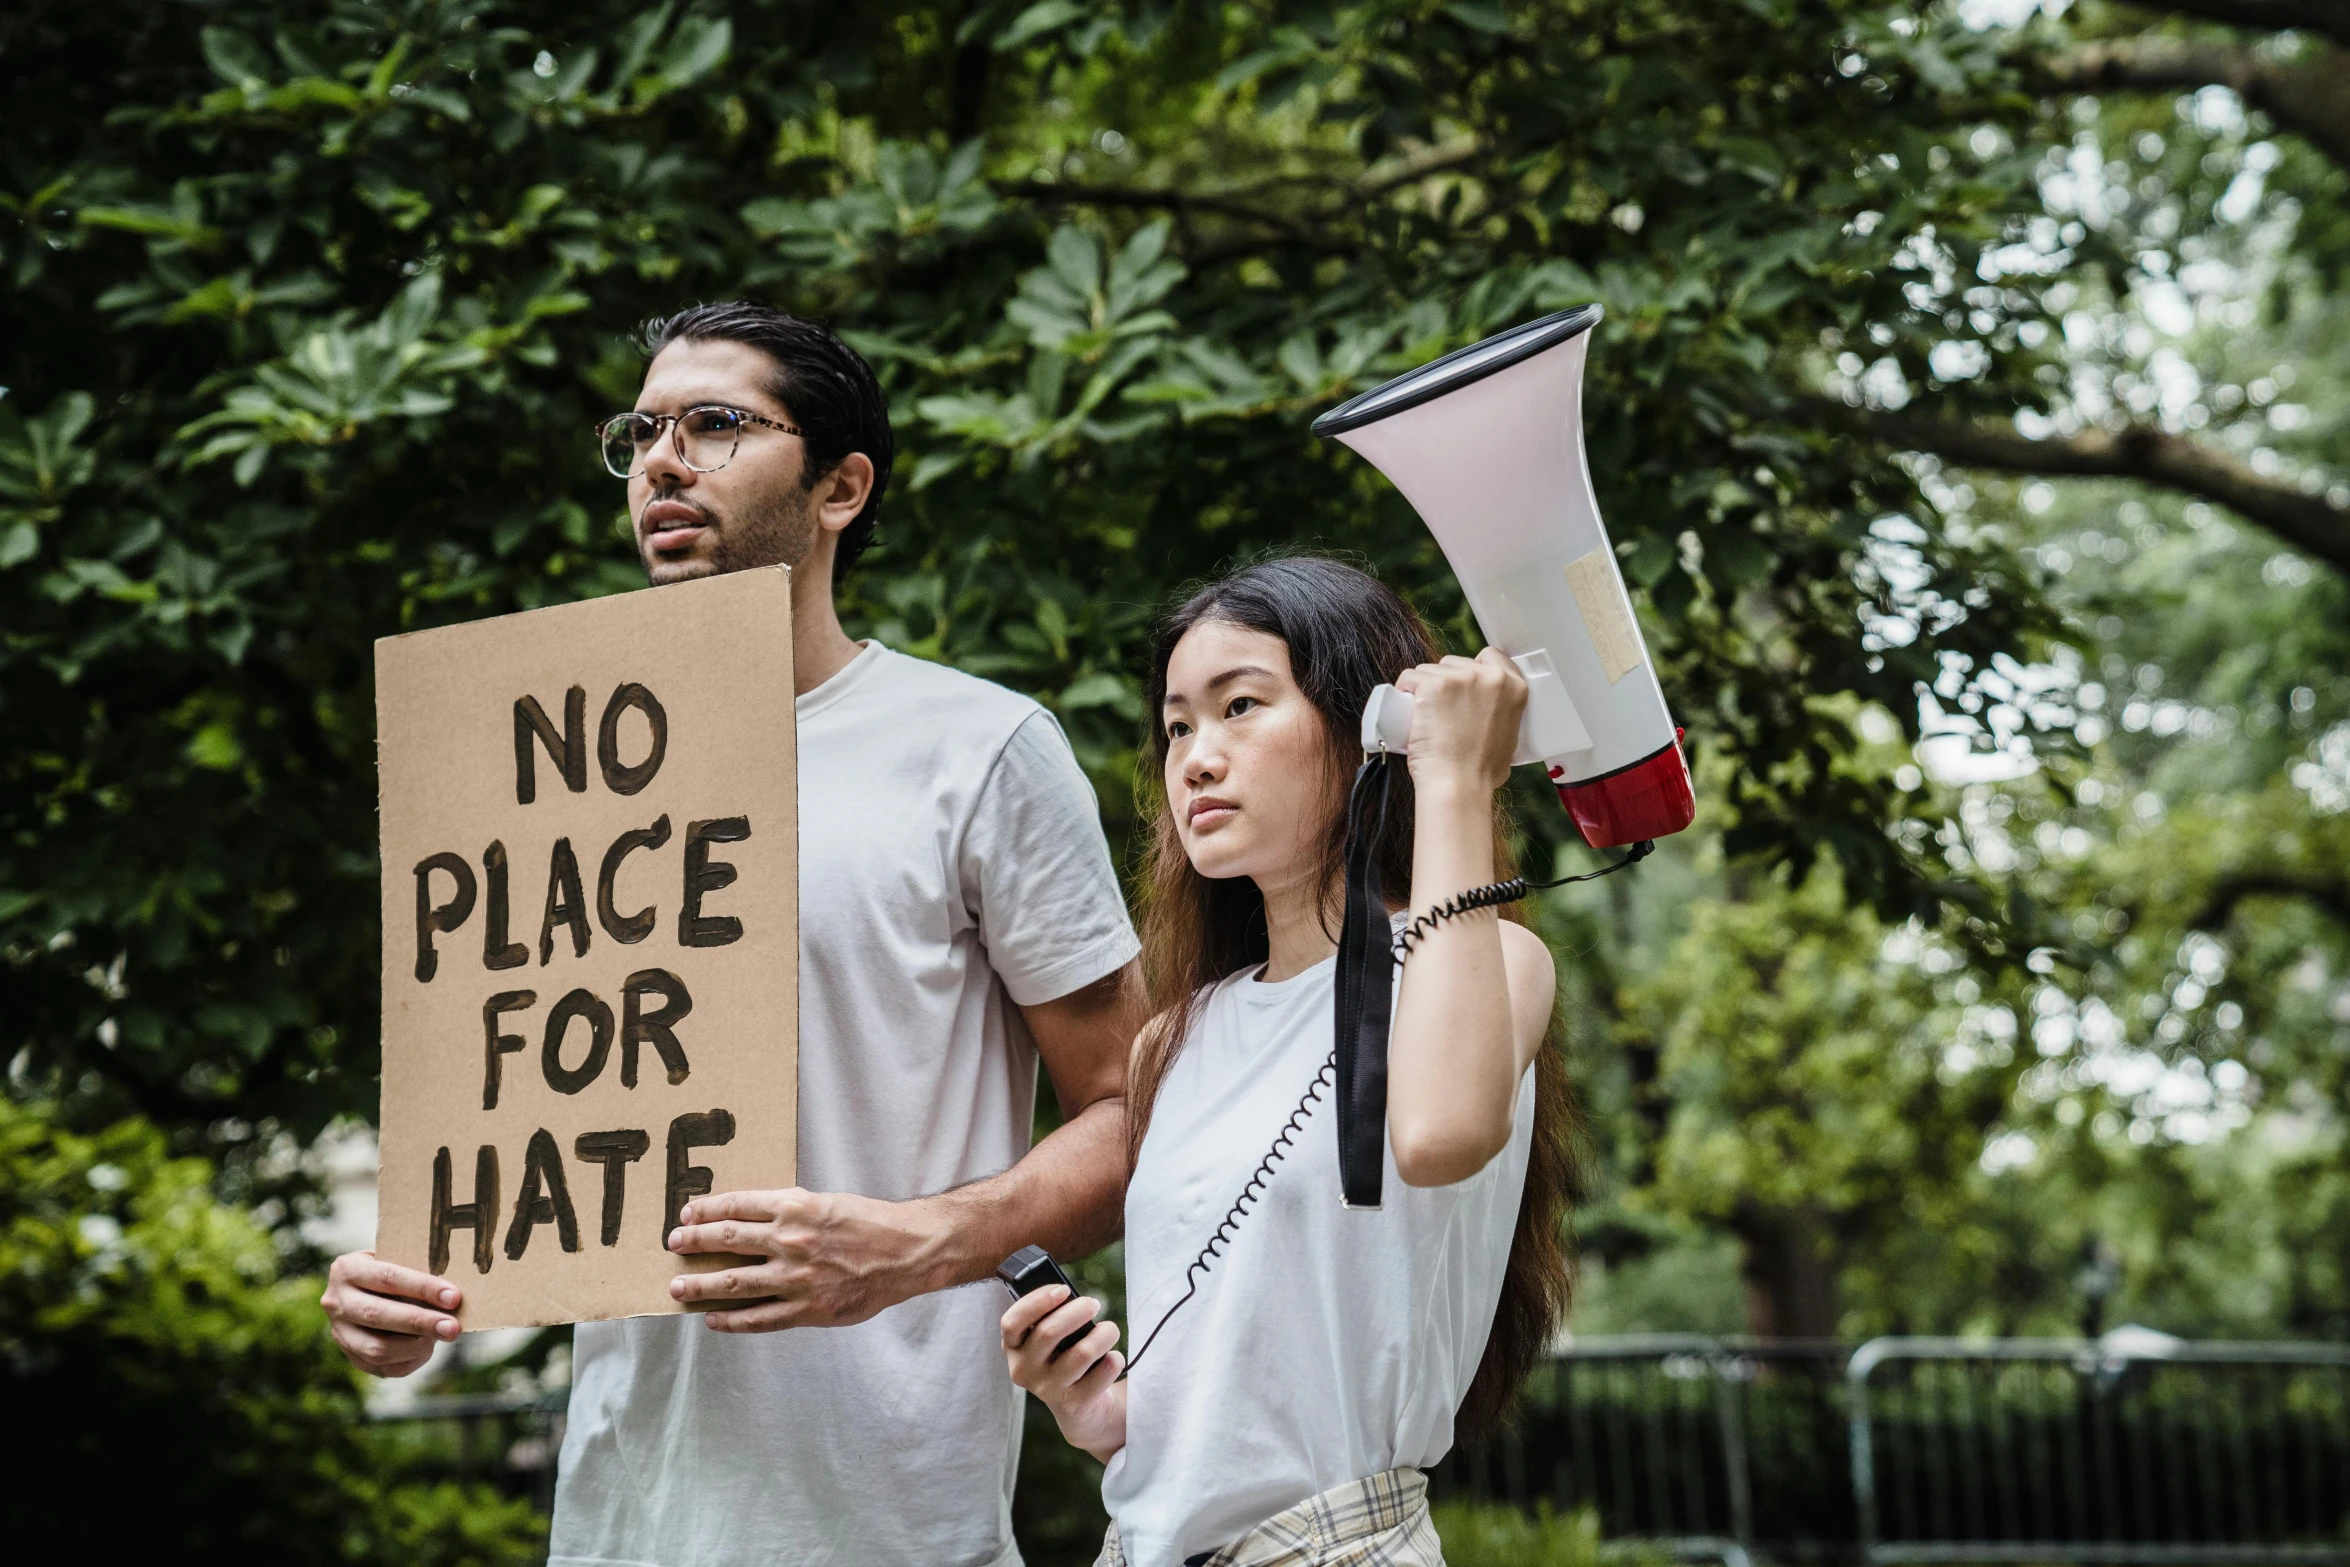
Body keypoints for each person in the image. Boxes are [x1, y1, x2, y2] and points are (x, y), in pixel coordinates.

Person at [320, 303, 1147, 1567]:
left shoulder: (979, 749)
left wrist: (909, 1247)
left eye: (715, 425)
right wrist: (416, 1282)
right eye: (641, 431)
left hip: (887, 1525)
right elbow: (529, 1146)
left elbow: (1133, 1110)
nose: (661, 458)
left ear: (840, 487)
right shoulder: (555, 773)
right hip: (618, 1520)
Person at [1002, 557, 1581, 1567]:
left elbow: (1439, 1133)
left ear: (1371, 729)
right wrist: (1114, 1413)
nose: (1195, 757)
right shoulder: (1168, 1042)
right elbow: (1260, 1338)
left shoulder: (1495, 965)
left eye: (1240, 706)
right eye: (1178, 724)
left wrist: (1450, 776)